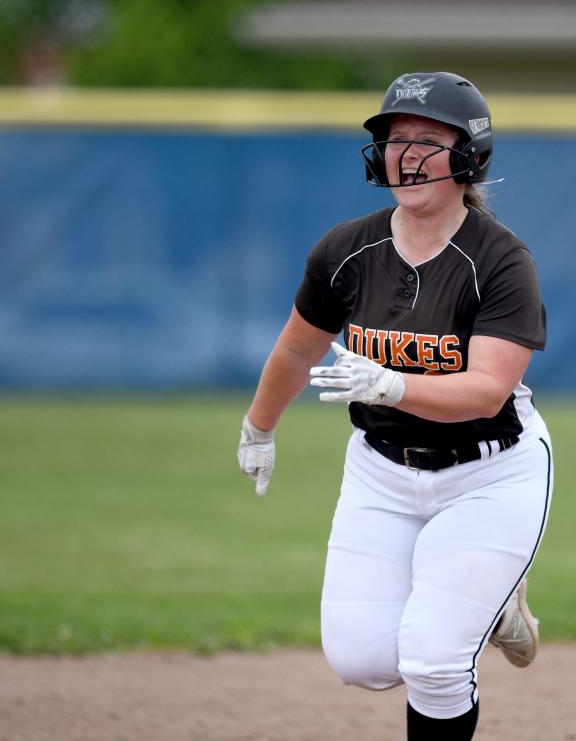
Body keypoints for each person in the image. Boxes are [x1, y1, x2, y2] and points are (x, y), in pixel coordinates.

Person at [237, 72, 553, 740]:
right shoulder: (347, 249)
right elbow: (296, 350)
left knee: (434, 660)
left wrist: (393, 384)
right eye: (393, 139)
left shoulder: (498, 261)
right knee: (362, 659)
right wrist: (257, 427)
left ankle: (482, 600)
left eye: (426, 141)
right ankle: (490, 607)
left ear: (469, 156)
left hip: (487, 473)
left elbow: (487, 388)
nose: (404, 155)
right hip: (379, 469)